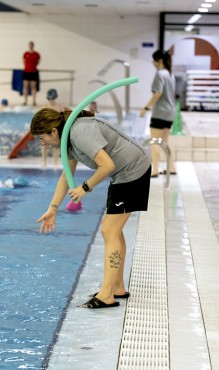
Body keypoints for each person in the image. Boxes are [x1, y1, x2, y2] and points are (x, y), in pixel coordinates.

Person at [30, 108, 151, 309]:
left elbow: (107, 165)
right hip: (124, 173)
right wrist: (53, 209)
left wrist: (85, 187)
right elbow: (64, 177)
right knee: (114, 230)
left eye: (42, 138)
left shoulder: (79, 133)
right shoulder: (67, 140)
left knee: (108, 230)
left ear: (53, 131)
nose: (42, 143)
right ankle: (117, 287)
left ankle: (106, 295)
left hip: (133, 170)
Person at [139, 49, 177, 177]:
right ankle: (171, 167)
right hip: (171, 112)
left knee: (155, 141)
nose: (152, 62)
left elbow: (157, 93)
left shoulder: (160, 74)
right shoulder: (170, 74)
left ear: (159, 60)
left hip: (160, 111)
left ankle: (154, 169)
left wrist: (146, 108)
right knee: (165, 142)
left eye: (154, 59)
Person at [41, 88, 70, 168]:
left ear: (55, 97)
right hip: (47, 129)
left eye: (52, 98)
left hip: (55, 130)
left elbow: (70, 112)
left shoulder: (60, 106)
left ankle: (55, 164)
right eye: (50, 98)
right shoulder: (44, 107)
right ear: (48, 98)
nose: (51, 100)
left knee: (55, 148)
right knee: (44, 147)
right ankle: (44, 162)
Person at [22, 41, 41, 106]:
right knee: (25, 87)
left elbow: (38, 62)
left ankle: (34, 101)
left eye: (31, 45)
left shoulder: (36, 54)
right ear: (28, 45)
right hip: (26, 72)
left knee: (33, 87)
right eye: (29, 45)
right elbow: (23, 61)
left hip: (34, 72)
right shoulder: (25, 53)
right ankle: (25, 101)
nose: (30, 46)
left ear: (33, 45)